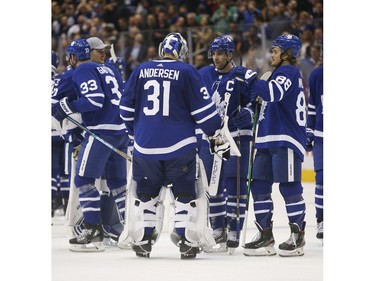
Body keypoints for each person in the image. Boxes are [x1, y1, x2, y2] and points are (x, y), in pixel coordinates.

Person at [119, 32, 226, 259]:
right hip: (180, 147)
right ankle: (186, 241)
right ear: (182, 52)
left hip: (145, 149)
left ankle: (143, 240)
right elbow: (206, 116)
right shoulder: (187, 72)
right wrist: (215, 132)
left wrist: (137, 133)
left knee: (146, 194)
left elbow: (125, 111)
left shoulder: (140, 70)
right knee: (185, 193)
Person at [231, 34, 308, 257]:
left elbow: (272, 94)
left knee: (289, 187)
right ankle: (265, 234)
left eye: (275, 51)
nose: (271, 54)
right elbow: (260, 105)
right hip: (266, 139)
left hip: (286, 138)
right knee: (259, 186)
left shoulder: (289, 72)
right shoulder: (274, 74)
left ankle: (297, 236)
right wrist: (247, 109)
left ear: (287, 54)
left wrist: (250, 77)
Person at [51, 39, 128, 252]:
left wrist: (66, 106)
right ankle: (130, 230)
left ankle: (93, 230)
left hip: (100, 131)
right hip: (121, 132)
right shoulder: (110, 70)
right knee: (118, 183)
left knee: (83, 180)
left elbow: (94, 100)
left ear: (73, 57)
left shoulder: (82, 69)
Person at [198, 36, 256, 253]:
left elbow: (257, 100)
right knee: (212, 185)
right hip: (212, 136)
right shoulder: (204, 74)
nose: (216, 57)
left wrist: (249, 113)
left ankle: (234, 228)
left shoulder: (242, 75)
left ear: (231, 55)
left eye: (221, 53)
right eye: (213, 53)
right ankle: (217, 228)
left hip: (236, 135)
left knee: (235, 183)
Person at [306, 65, 323, 240]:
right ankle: (322, 220)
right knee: (322, 181)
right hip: (321, 136)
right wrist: (309, 129)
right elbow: (313, 105)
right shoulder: (317, 74)